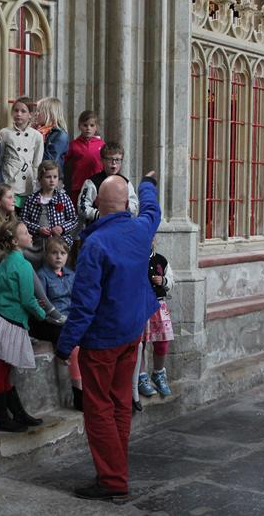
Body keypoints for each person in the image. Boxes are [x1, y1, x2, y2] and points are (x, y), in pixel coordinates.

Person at [55, 170, 161, 501]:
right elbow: (152, 210)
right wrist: (147, 183)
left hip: (102, 340)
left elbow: (84, 304)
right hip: (132, 333)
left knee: (98, 407)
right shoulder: (141, 229)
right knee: (120, 402)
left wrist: (65, 343)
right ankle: (116, 468)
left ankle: (113, 480)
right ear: (126, 202)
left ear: (98, 204)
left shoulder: (95, 244)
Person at [0, 220, 47, 432]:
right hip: (12, 323)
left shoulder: (4, 262)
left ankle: (17, 412)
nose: (30, 235)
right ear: (14, 241)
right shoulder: (23, 265)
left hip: (3, 320)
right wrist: (42, 314)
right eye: (26, 233)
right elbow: (28, 299)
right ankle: (2, 417)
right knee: (1, 371)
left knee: (5, 370)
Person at [0, 182, 67, 325]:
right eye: (10, 197)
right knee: (23, 262)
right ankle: (48, 307)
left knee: (34, 254)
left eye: (14, 197)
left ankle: (48, 298)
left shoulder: (12, 218)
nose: (14, 201)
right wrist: (4, 250)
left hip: (10, 258)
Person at [28, 237, 82, 410]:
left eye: (63, 253)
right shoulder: (42, 276)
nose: (59, 257)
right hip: (49, 321)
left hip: (69, 319)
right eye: (54, 253)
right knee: (72, 344)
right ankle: (79, 395)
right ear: (46, 255)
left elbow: (77, 300)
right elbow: (43, 305)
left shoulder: (71, 275)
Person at [132, 238, 175, 411]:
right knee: (140, 343)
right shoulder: (133, 260)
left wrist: (164, 281)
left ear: (154, 240)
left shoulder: (161, 260)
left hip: (158, 305)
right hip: (139, 306)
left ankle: (158, 373)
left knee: (162, 343)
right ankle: (141, 377)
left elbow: (172, 281)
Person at [20, 160, 78, 267]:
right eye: (48, 177)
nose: (52, 180)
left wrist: (62, 228)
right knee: (35, 264)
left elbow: (74, 220)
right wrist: (38, 229)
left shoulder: (63, 198)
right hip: (38, 243)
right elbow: (23, 221)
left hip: (58, 242)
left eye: (55, 177)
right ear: (40, 180)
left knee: (58, 264)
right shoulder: (32, 199)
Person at [77, 141, 139, 226]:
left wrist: (121, 213)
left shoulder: (126, 183)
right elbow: (82, 207)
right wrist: (101, 215)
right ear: (102, 160)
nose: (114, 163)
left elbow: (134, 206)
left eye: (117, 160)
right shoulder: (91, 183)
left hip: (120, 225)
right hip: (98, 227)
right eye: (110, 159)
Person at [0, 97, 44, 210]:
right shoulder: (4, 133)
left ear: (30, 114)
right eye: (16, 110)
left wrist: (35, 183)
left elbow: (37, 163)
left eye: (23, 111)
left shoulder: (36, 136)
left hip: (27, 183)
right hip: (9, 180)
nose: (19, 114)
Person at [64, 110, 105, 204]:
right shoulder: (73, 145)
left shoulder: (102, 144)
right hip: (79, 185)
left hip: (97, 185)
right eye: (85, 125)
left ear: (96, 127)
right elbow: (63, 161)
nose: (88, 128)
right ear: (79, 126)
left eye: (92, 125)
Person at [35, 97, 69, 179]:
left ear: (50, 113)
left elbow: (50, 160)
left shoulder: (60, 135)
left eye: (39, 111)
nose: (36, 114)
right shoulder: (38, 131)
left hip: (51, 178)